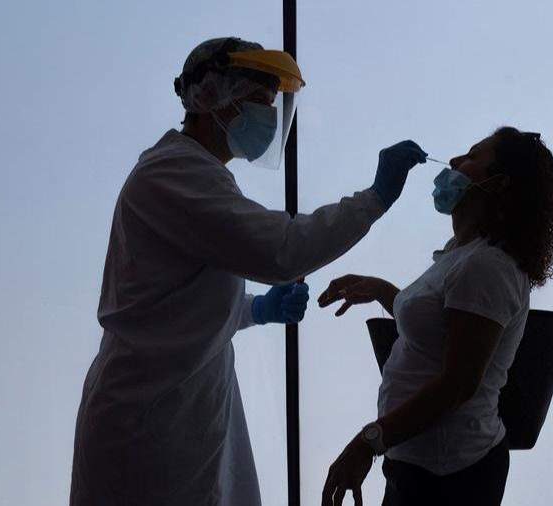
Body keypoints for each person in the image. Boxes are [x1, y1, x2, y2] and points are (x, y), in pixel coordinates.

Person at [70, 37, 428, 506]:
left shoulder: (199, 176)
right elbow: (282, 250)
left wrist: (255, 310)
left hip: (184, 409)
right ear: (208, 96)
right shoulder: (172, 174)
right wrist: (374, 199)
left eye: (273, 104)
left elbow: (173, 305)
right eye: (259, 100)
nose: (269, 116)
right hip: (148, 421)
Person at [318, 127, 553, 506]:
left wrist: (367, 442)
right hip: (420, 463)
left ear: (497, 183)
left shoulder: (486, 266)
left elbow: (457, 385)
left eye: (472, 156)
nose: (453, 161)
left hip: (449, 476)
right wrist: (379, 290)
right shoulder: (461, 253)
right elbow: (435, 328)